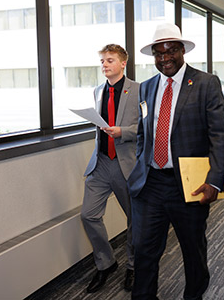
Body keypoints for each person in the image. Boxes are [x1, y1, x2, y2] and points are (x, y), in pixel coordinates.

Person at [128, 23, 224, 300]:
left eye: (171, 51)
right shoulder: (147, 87)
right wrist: (141, 160)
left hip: (189, 184)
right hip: (150, 184)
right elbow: (143, 132)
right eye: (158, 53)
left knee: (192, 250)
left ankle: (193, 296)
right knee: (145, 250)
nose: (164, 58)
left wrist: (214, 181)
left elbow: (218, 136)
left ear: (182, 51)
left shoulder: (206, 83)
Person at [81, 44, 139, 293]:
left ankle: (134, 266)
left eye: (110, 60)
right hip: (101, 162)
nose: (105, 65)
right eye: (102, 61)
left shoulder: (138, 90)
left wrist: (122, 132)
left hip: (127, 164)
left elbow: (148, 128)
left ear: (123, 63)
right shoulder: (97, 91)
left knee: (135, 219)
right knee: (88, 215)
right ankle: (106, 264)